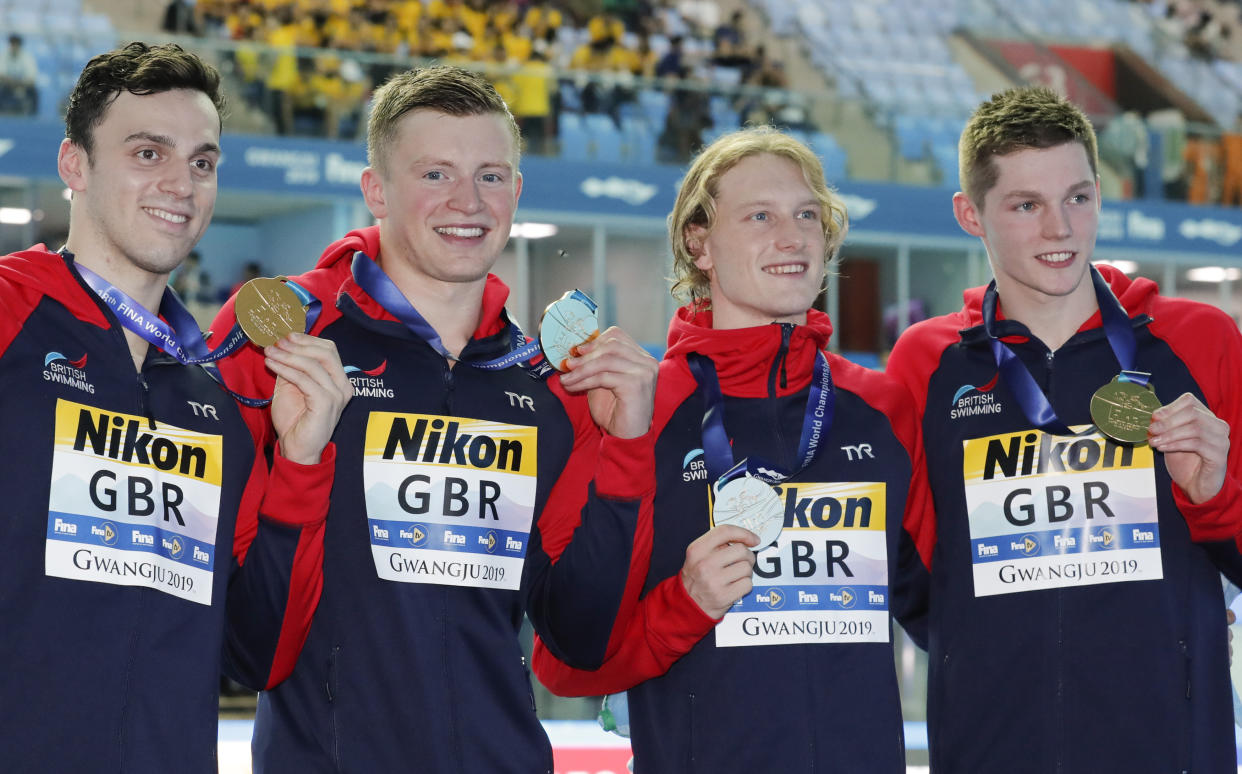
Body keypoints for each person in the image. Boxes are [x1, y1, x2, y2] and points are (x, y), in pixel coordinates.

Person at [210, 64, 659, 773]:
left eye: (489, 175)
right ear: (376, 191)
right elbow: (245, 644)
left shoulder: (549, 384)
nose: (467, 201)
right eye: (435, 174)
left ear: (516, 191)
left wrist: (628, 449)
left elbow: (580, 637)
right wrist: (300, 461)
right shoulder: (284, 341)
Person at [533, 126, 931, 771]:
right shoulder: (636, 408)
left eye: (808, 214)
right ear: (700, 243)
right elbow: (568, 661)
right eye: (759, 216)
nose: (793, 236)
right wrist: (685, 604)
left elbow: (946, 613)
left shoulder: (881, 407)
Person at [0, 42, 352, 773]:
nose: (181, 185)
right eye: (147, 152)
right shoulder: (10, 314)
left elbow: (259, 652)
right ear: (74, 166)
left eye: (201, 162)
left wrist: (302, 461)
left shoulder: (212, 399)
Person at [887, 86, 1242, 772]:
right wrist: (990, 649)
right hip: (991, 744)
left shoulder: (1200, 342)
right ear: (971, 214)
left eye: (1078, 198)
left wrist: (1215, 494)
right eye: (1027, 205)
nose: (1061, 229)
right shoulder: (926, 363)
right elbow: (915, 575)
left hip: (1169, 745)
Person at [0, 34, 38, 115]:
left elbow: (32, 79)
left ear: (19, 45)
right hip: (8, 86)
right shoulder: (3, 56)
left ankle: (33, 115)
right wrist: (13, 83)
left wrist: (20, 84)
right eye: (12, 44)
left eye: (15, 44)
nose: (13, 47)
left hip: (24, 85)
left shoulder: (27, 57)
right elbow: (1, 76)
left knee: (34, 92)